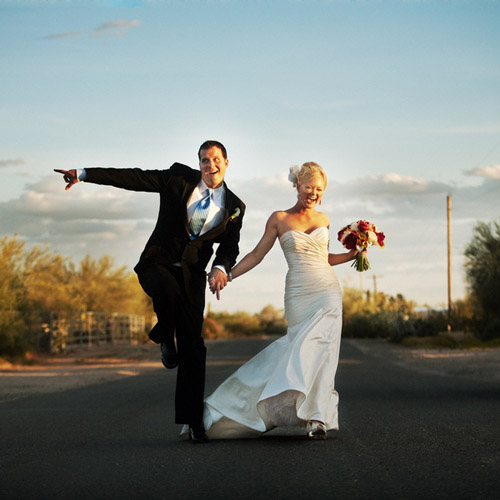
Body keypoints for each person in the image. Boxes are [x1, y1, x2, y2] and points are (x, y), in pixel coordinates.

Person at [55, 140, 245, 443]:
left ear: (226, 162)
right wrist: (84, 173)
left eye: (216, 159)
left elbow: (229, 246)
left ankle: (193, 421)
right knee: (166, 292)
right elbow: (133, 177)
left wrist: (221, 268)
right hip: (157, 264)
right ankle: (163, 336)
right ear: (198, 164)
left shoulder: (235, 206)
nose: (211, 165)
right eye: (205, 160)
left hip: (192, 278)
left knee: (194, 347)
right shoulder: (176, 179)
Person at [189, 161, 359, 440]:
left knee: (324, 351)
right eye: (308, 187)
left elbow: (325, 258)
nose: (313, 193)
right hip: (299, 293)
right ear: (297, 186)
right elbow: (257, 255)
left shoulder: (324, 220)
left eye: (319, 189)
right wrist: (227, 275)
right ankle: (241, 405)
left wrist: (353, 254)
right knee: (300, 350)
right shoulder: (279, 219)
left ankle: (316, 418)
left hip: (327, 290)